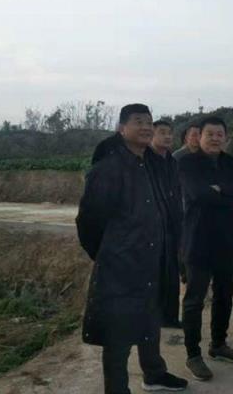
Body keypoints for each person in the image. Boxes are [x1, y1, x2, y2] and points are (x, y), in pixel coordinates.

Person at [76, 105, 187, 393]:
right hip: (121, 264)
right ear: (121, 128)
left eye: (149, 122)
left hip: (153, 258)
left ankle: (154, 373)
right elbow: (88, 222)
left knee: (151, 319)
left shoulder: (152, 164)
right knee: (119, 332)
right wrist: (110, 254)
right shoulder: (108, 168)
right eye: (138, 122)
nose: (146, 127)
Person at [178, 117, 233, 381]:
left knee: (225, 295)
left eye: (219, 134)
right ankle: (193, 354)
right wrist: (228, 195)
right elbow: (197, 193)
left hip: (226, 240)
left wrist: (220, 189)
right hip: (198, 240)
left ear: (225, 137)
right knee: (194, 300)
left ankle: (218, 344)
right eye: (209, 134)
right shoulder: (187, 163)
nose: (215, 138)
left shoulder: (230, 162)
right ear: (199, 136)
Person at [151, 120, 183, 329]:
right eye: (162, 132)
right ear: (152, 136)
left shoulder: (172, 161)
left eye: (170, 133)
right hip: (153, 227)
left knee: (171, 274)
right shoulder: (145, 161)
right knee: (153, 274)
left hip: (173, 224)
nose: (167, 136)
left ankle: (169, 317)